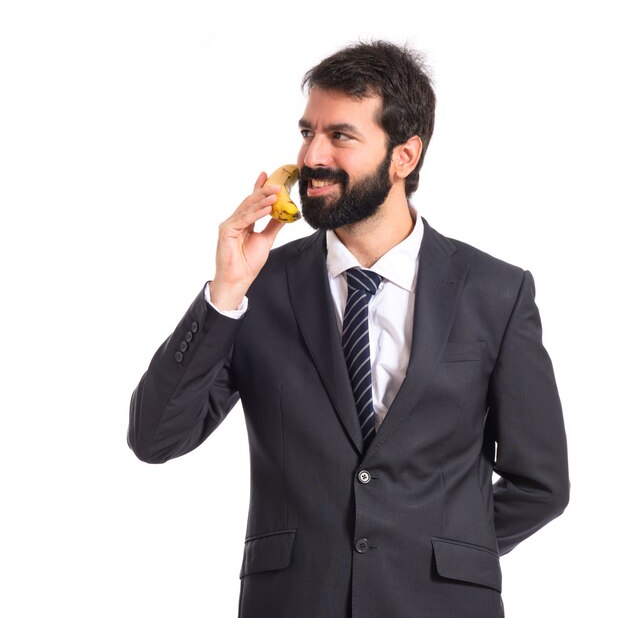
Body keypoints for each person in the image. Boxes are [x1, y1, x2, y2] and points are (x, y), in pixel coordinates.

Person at [128, 40, 569, 618]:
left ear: (404, 157)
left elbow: (541, 484)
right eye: (307, 132)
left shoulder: (497, 292)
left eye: (340, 136)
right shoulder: (257, 287)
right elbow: (155, 438)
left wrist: (442, 549)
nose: (312, 155)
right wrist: (225, 292)